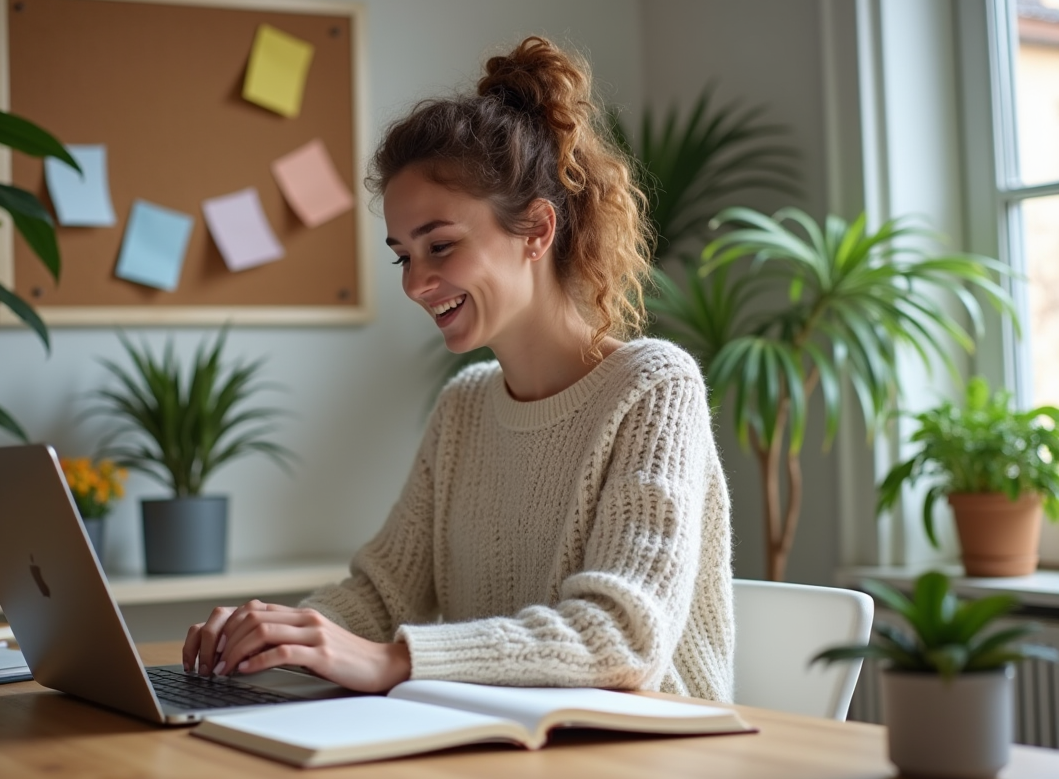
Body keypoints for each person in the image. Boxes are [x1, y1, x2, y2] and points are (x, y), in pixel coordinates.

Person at [183, 36, 734, 702]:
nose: (417, 283)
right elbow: (380, 594)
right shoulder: (465, 407)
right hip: (500, 749)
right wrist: (284, 634)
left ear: (536, 231)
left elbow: (622, 639)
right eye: (403, 256)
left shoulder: (652, 388)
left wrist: (397, 661)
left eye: (439, 245)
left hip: (645, 761)